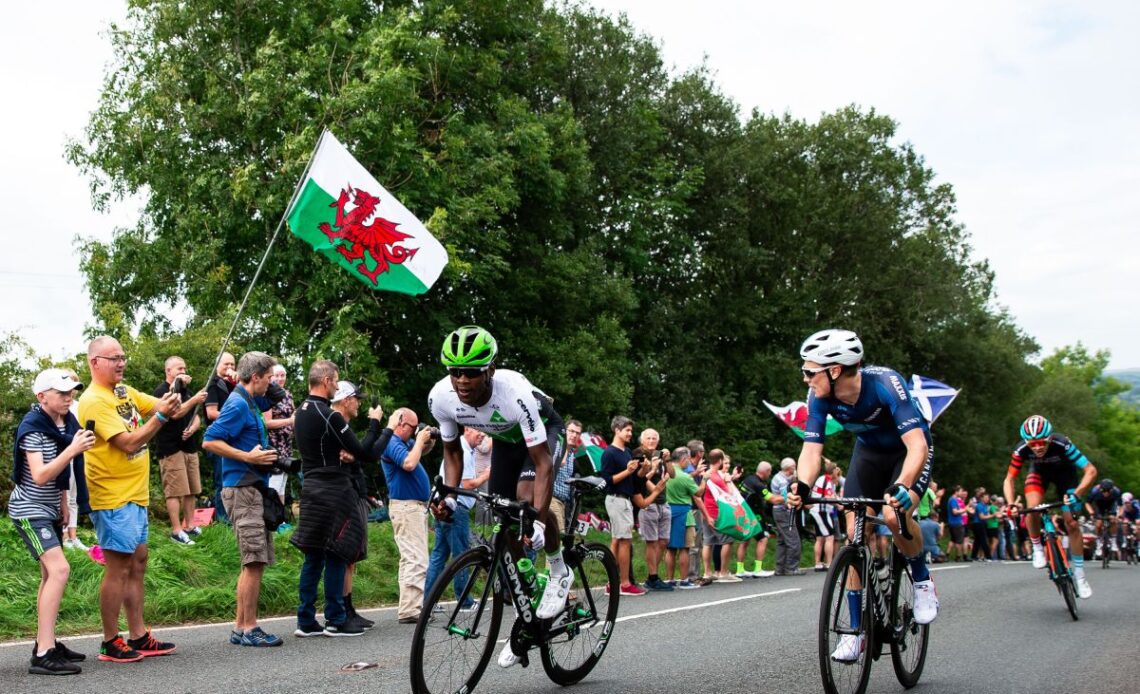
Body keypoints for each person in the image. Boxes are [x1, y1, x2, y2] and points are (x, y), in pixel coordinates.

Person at [787, 329, 939, 663]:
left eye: (810, 372)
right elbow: (811, 450)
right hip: (869, 455)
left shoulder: (886, 384)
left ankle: (922, 580)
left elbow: (917, 444)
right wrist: (803, 485)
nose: (805, 379)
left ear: (835, 370)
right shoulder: (820, 398)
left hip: (907, 453)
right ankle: (857, 632)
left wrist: (904, 484)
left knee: (893, 515)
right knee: (855, 530)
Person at [428, 326, 571, 669]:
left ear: (490, 369)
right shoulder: (441, 398)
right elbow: (452, 454)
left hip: (542, 436)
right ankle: (528, 616)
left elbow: (542, 463)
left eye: (472, 372)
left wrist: (537, 518)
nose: (462, 380)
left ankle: (558, 568)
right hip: (507, 442)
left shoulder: (514, 393)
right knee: (502, 522)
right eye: (454, 371)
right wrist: (447, 498)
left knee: (524, 502)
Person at [78, 336, 181, 662]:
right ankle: (110, 641)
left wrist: (178, 400)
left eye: (123, 357)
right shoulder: (94, 400)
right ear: (95, 362)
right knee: (118, 568)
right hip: (112, 496)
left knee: (137, 563)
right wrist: (162, 417)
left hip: (135, 494)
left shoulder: (123, 391)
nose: (121, 363)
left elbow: (161, 406)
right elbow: (129, 442)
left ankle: (138, 636)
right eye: (113, 358)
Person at [291, 369, 388, 637]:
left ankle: (306, 620)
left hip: (310, 488)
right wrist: (375, 424)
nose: (336, 386)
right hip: (333, 489)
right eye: (335, 381)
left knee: (313, 557)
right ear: (326, 382)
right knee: (337, 553)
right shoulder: (329, 414)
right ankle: (336, 618)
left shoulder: (301, 411)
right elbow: (363, 452)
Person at [11, 369, 95, 675]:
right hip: (28, 509)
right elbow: (40, 474)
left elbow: (62, 475)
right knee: (60, 569)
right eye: (61, 393)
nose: (68, 397)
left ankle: (44, 642)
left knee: (50, 574)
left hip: (48, 509)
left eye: (71, 391)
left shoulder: (65, 422)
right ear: (41, 396)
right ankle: (44, 653)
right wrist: (73, 448)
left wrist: (63, 504)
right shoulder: (33, 427)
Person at [202, 351, 284, 647]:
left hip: (253, 487)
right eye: (268, 377)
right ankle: (250, 628)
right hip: (241, 488)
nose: (272, 382)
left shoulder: (249, 400)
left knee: (255, 561)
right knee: (254, 560)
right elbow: (209, 439)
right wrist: (246, 456)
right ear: (256, 377)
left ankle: (240, 627)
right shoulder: (237, 403)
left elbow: (276, 394)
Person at [1002, 414, 1097, 598]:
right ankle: (1037, 547)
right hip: (1038, 475)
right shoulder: (1021, 449)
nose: (1037, 447)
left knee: (1072, 524)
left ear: (1050, 438)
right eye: (1032, 444)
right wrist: (1011, 503)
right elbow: (1009, 479)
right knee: (1033, 509)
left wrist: (1076, 494)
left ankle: (1080, 575)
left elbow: (1090, 471)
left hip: (1066, 478)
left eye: (1042, 443)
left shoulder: (1062, 444)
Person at [381, 406, 436, 624]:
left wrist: (428, 438)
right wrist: (420, 440)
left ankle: (409, 606)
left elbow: (421, 451)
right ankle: (412, 610)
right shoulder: (392, 442)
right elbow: (410, 463)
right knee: (416, 558)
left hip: (412, 507)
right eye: (413, 427)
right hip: (406, 507)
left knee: (410, 558)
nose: (415, 432)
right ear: (401, 424)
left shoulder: (405, 443)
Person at [425, 427, 485, 610]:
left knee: (439, 555)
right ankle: (464, 600)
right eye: (478, 431)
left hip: (443, 505)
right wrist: (488, 474)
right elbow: (467, 484)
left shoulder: (461, 448)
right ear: (467, 429)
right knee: (461, 555)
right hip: (456, 508)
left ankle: (428, 600)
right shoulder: (464, 452)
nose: (482, 435)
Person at [152, 356, 208, 545]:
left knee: (191, 489)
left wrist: (193, 428)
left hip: (189, 446)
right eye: (179, 369)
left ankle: (190, 526)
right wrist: (193, 399)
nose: (183, 371)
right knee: (175, 491)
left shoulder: (186, 391)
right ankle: (176, 531)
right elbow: (174, 413)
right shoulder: (161, 392)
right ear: (168, 371)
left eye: (184, 368)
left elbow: (196, 416)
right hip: (170, 448)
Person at [598, 415, 644, 596]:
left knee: (618, 540)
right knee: (624, 540)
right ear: (616, 430)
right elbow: (606, 480)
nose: (630, 434)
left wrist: (644, 470)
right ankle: (624, 583)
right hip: (615, 498)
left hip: (625, 499)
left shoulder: (627, 452)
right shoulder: (609, 453)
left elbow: (633, 479)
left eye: (631, 430)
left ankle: (613, 583)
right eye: (627, 430)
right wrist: (628, 470)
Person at [699, 449, 743, 583]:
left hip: (705, 512)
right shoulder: (718, 477)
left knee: (708, 542)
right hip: (717, 514)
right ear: (719, 461)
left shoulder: (707, 474)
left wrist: (732, 477)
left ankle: (707, 572)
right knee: (727, 541)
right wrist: (729, 481)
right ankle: (723, 573)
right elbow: (729, 495)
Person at [204, 352, 237, 523]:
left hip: (233, 439)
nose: (230, 368)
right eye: (226, 365)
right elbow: (211, 413)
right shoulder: (213, 385)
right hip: (218, 439)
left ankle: (233, 517)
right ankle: (223, 521)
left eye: (233, 365)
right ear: (217, 365)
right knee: (222, 481)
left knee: (233, 480)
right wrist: (234, 416)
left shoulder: (233, 386)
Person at [664, 446, 703, 588]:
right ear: (683, 459)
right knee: (685, 548)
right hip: (684, 512)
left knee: (670, 548)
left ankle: (669, 579)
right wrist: (704, 479)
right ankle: (684, 580)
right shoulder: (685, 477)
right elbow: (698, 493)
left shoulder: (666, 473)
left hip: (668, 511)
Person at [262, 364, 296, 511]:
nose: (280, 378)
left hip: (286, 443)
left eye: (283, 375)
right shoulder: (268, 394)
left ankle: (280, 519)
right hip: (274, 443)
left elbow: (293, 415)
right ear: (271, 377)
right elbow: (267, 423)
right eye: (277, 375)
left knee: (283, 482)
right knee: (274, 482)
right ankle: (272, 516)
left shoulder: (287, 394)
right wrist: (289, 421)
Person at [738, 461, 777, 577]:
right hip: (753, 515)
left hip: (742, 513)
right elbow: (772, 499)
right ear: (766, 472)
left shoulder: (748, 479)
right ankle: (758, 569)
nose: (769, 475)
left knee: (744, 540)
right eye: (769, 472)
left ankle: (740, 570)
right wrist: (786, 498)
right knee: (763, 538)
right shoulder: (759, 484)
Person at [549, 420, 582, 536]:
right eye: (571, 431)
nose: (574, 435)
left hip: (564, 503)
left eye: (577, 433)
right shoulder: (556, 446)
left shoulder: (572, 454)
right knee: (559, 537)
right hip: (551, 498)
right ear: (565, 431)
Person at [770, 458, 802, 576]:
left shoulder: (778, 477)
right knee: (793, 540)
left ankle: (780, 568)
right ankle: (791, 568)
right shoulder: (783, 482)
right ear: (790, 468)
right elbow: (787, 497)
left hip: (777, 512)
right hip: (783, 512)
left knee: (782, 541)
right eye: (794, 467)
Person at [808, 460, 838, 572]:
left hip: (818, 510)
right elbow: (829, 497)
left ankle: (818, 563)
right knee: (829, 537)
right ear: (833, 470)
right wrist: (838, 503)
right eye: (836, 469)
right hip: (822, 511)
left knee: (820, 538)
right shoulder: (826, 480)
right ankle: (829, 563)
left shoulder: (823, 479)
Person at [1087, 478, 1122, 558]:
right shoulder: (1095, 491)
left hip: (1111, 505)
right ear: (1100, 489)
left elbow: (1121, 505)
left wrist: (1119, 515)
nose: (1106, 493)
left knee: (1113, 520)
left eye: (1108, 491)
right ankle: (1099, 542)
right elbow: (1087, 503)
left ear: (1112, 490)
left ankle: (1113, 541)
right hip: (1099, 505)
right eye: (1104, 491)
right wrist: (1091, 512)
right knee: (1098, 523)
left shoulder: (1116, 492)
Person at [945, 485, 969, 561]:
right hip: (956, 523)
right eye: (961, 491)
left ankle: (947, 555)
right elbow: (955, 512)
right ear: (956, 492)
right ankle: (958, 557)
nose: (962, 493)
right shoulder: (953, 500)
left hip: (952, 522)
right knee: (959, 541)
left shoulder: (951, 499)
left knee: (953, 540)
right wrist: (965, 510)